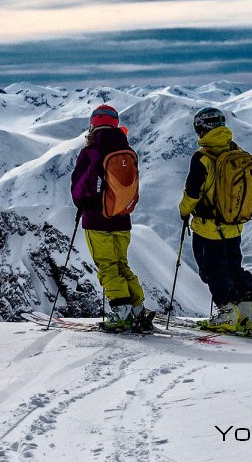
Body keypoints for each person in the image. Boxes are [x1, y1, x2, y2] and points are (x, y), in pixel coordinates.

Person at [70, 104, 155, 332]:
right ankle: (138, 309)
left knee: (107, 267)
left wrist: (82, 205)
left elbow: (79, 187)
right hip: (122, 218)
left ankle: (122, 312)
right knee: (121, 264)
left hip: (97, 220)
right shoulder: (126, 150)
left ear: (93, 123)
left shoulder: (91, 151)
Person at [179, 106, 252, 333]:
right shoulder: (236, 152)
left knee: (212, 270)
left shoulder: (203, 158)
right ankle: (246, 312)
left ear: (202, 129)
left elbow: (193, 193)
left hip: (208, 229)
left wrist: (183, 211)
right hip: (234, 226)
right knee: (234, 267)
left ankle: (226, 313)